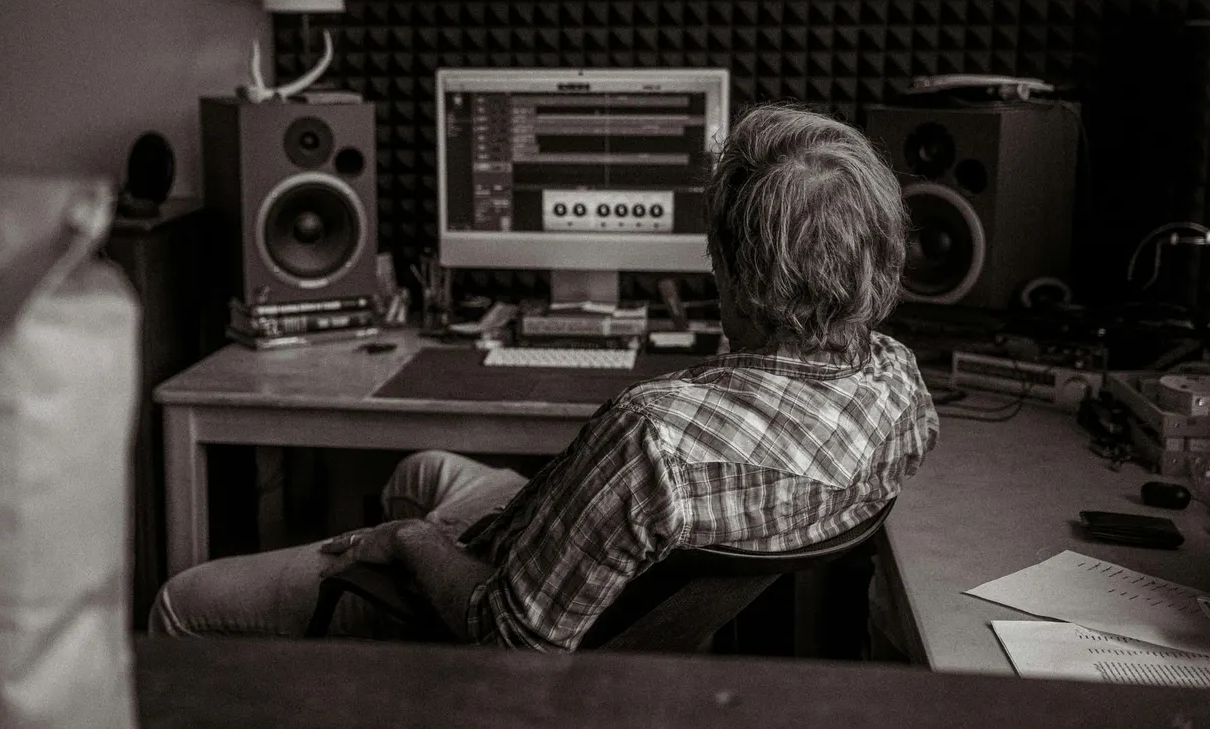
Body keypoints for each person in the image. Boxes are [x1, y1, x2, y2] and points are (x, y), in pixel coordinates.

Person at [150, 103, 939, 650]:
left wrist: (410, 543)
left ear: (735, 274)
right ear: (878, 257)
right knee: (422, 470)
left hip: (509, 621)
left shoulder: (653, 438)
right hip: (625, 604)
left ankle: (385, 643)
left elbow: (512, 634)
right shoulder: (898, 388)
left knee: (180, 604)